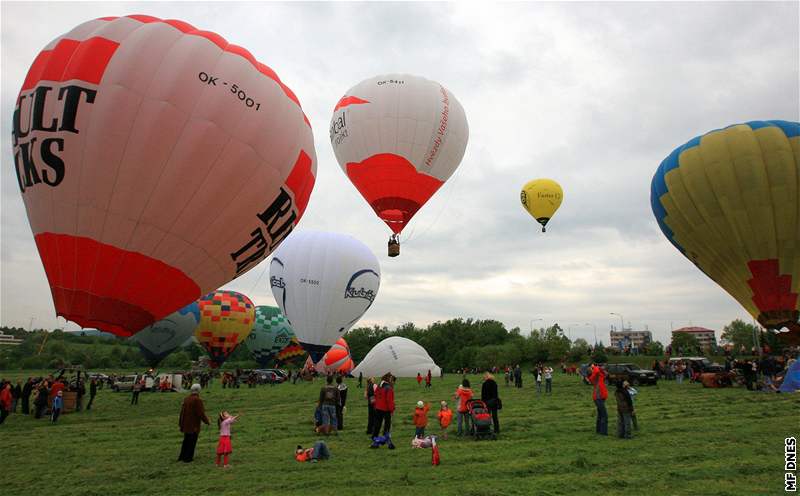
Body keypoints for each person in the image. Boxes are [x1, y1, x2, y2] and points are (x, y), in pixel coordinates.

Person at [178, 384, 210, 462]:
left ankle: (182, 456)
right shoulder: (197, 400)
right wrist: (207, 421)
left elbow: (182, 412)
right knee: (192, 441)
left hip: (185, 424)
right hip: (193, 425)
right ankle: (188, 458)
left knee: (186, 440)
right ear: (198, 390)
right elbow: (201, 413)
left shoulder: (186, 398)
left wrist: (180, 423)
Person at [371, 373, 395, 449]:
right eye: (391, 377)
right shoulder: (389, 388)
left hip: (378, 408)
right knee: (387, 426)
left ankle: (375, 441)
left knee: (377, 425)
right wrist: (392, 409)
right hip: (386, 409)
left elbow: (375, 395)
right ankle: (387, 441)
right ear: (388, 378)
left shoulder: (379, 386)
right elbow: (389, 401)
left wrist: (375, 405)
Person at [588, 364, 608, 435]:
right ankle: (603, 432)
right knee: (604, 415)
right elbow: (596, 371)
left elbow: (605, 374)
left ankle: (598, 430)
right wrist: (597, 367)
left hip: (600, 398)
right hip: (598, 398)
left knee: (600, 415)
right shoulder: (595, 377)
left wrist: (602, 370)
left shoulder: (600, 377)